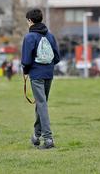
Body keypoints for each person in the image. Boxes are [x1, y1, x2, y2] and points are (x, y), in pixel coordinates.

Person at [21, 8, 60, 149]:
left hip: (36, 75)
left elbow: (26, 60)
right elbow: (57, 57)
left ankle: (48, 139)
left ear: (30, 21)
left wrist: (26, 71)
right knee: (41, 103)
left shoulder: (29, 37)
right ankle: (36, 136)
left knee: (42, 104)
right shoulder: (50, 36)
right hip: (49, 74)